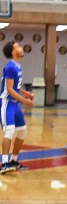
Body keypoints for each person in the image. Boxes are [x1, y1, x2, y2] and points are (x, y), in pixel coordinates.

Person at [0, 41, 35, 174]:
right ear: (14, 52)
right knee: (9, 131)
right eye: (18, 46)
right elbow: (9, 89)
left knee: (22, 132)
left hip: (15, 104)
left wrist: (25, 93)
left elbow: (15, 87)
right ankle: (4, 163)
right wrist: (25, 101)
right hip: (6, 103)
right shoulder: (10, 67)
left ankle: (14, 161)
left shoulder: (17, 66)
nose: (21, 48)